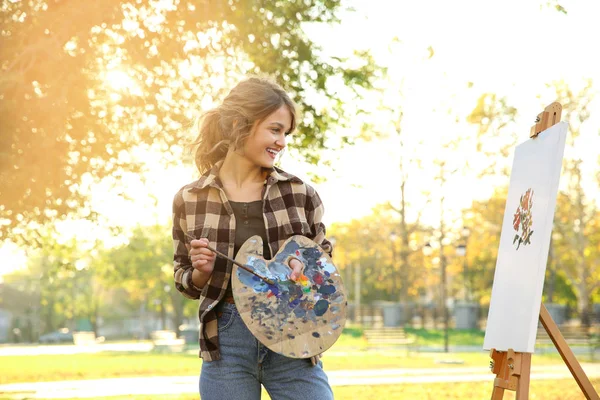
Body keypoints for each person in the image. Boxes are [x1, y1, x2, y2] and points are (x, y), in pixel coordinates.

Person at [172, 76, 334, 399]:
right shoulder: (190, 199)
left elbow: (326, 271)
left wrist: (305, 271)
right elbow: (182, 278)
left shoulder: (301, 194)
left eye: (285, 133)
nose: (283, 142)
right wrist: (200, 272)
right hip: (227, 344)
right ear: (238, 124)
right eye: (274, 130)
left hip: (293, 340)